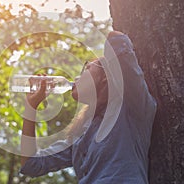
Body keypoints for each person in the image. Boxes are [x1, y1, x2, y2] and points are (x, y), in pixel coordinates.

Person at [19, 31, 157, 183]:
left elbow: (117, 42)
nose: (77, 77)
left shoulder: (131, 104)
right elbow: (31, 164)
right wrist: (30, 108)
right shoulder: (82, 134)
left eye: (87, 68)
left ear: (105, 77)